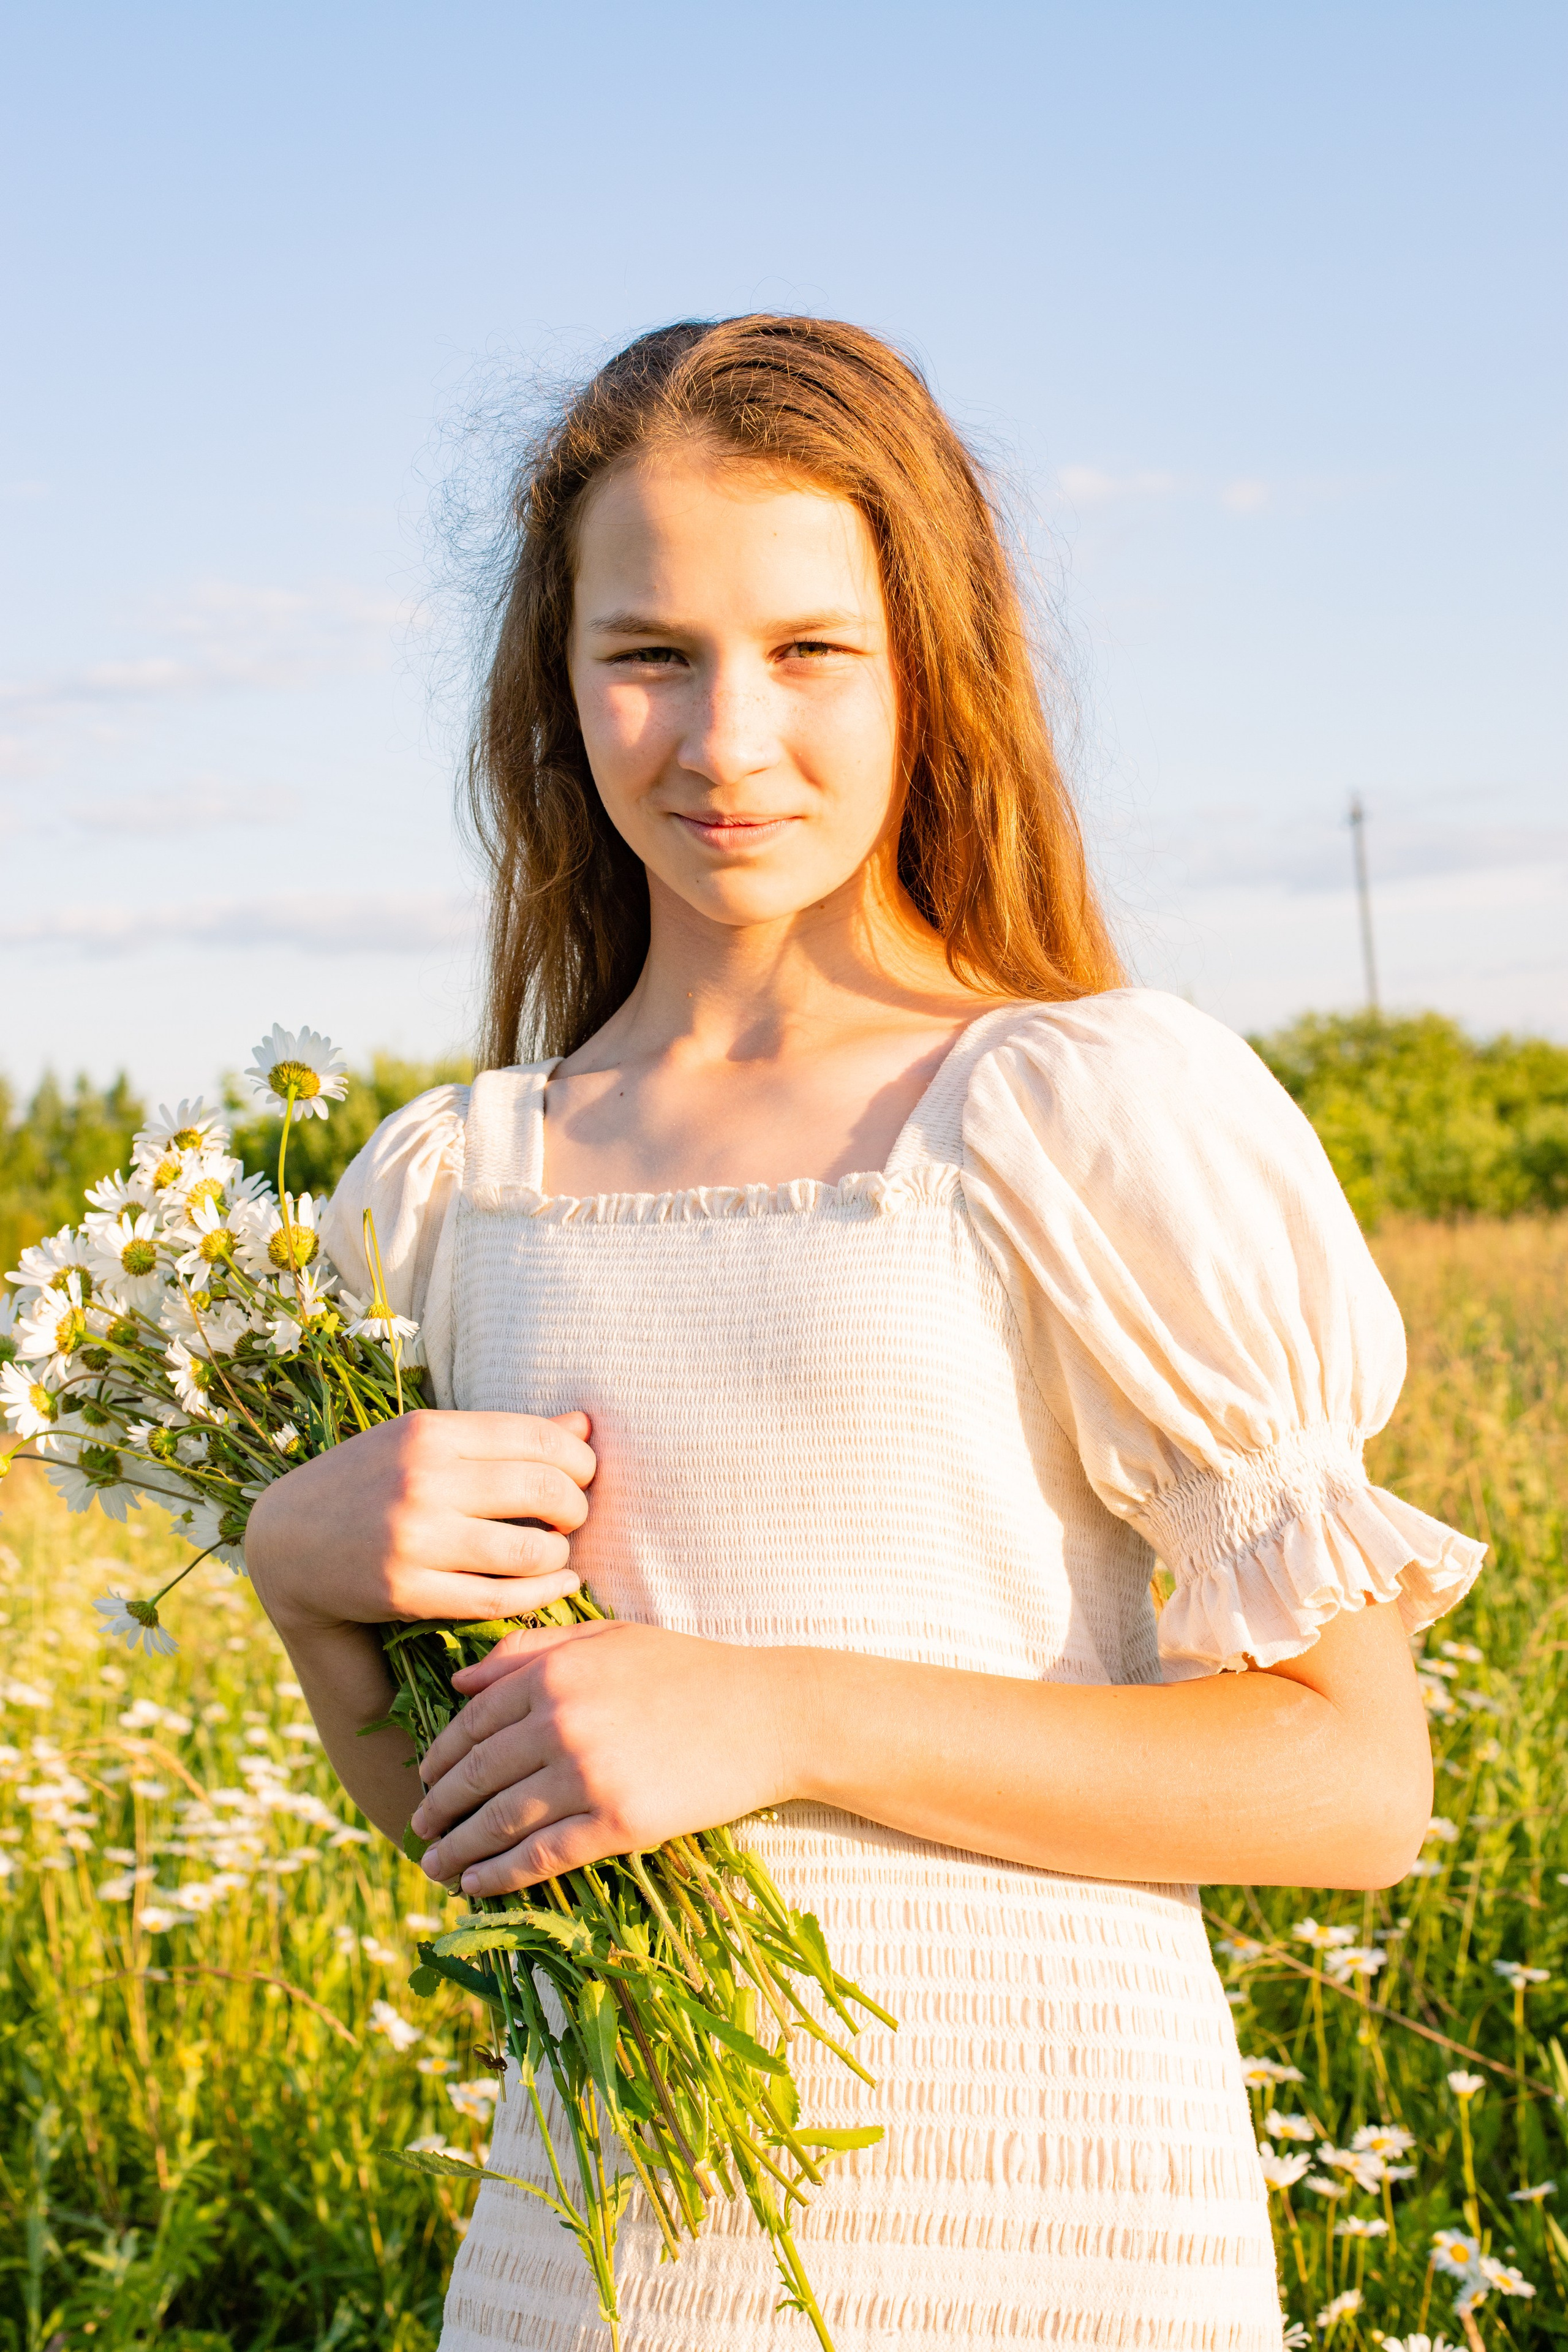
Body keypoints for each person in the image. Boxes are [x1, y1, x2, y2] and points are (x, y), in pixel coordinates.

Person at [247, 316, 1483, 2350]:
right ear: (554, 691)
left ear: (932, 669)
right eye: (648, 652)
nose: (726, 740)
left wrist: (781, 1712)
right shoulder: (467, 1186)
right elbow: (491, 1827)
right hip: (605, 2251)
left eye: (813, 650)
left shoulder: (1081, 1110)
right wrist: (312, 1599)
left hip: (1056, 2225)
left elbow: (1355, 1788)